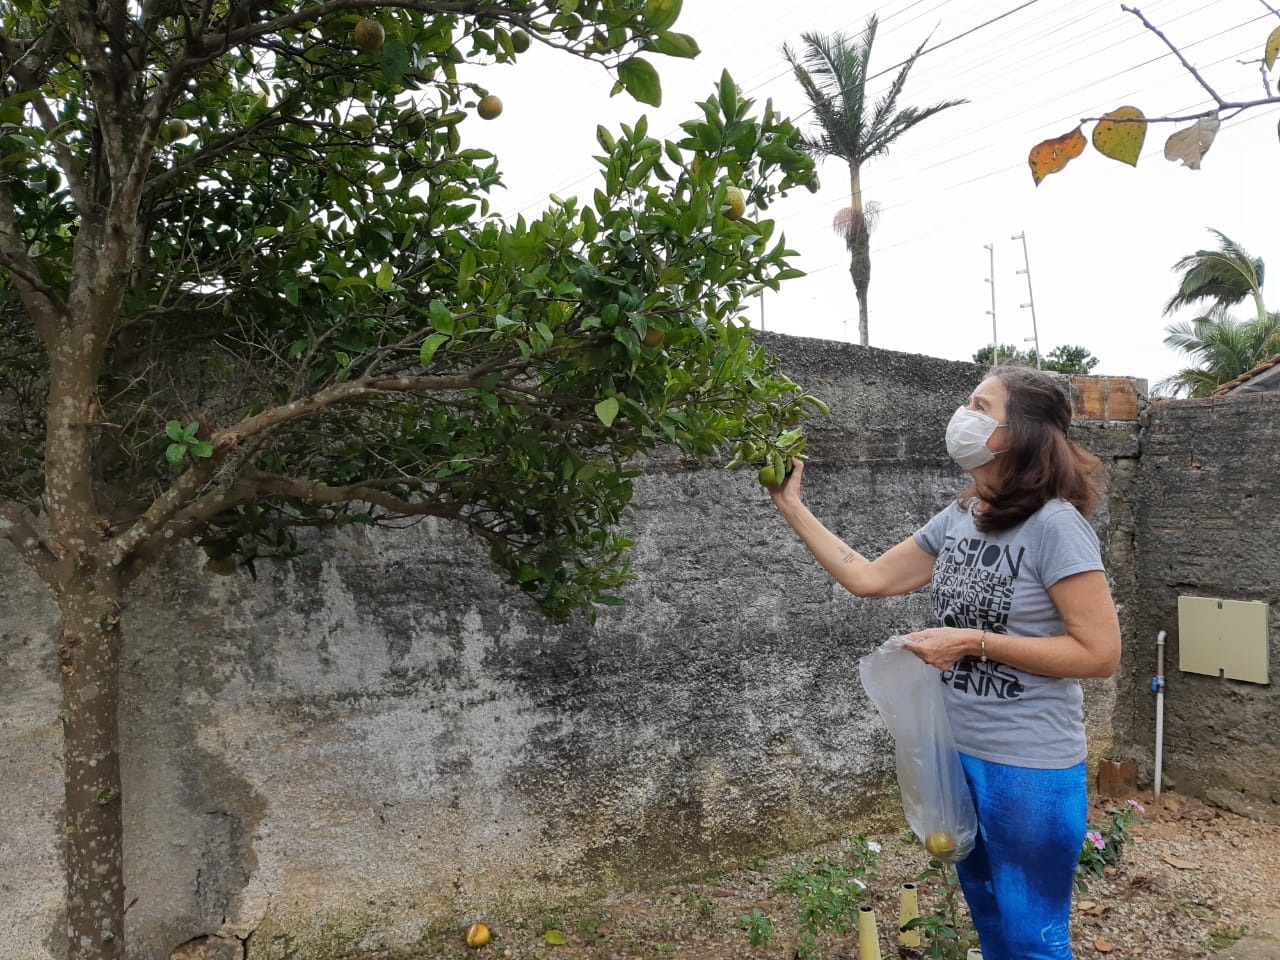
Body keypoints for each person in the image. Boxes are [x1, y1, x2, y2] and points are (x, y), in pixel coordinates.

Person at [767, 365, 1121, 960]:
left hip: (1028, 765)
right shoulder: (962, 516)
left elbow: (1099, 653)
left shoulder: (1055, 525)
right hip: (957, 756)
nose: (965, 415)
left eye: (982, 406)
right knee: (988, 919)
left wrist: (970, 642)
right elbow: (870, 577)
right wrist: (791, 504)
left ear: (1018, 434)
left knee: (1033, 935)